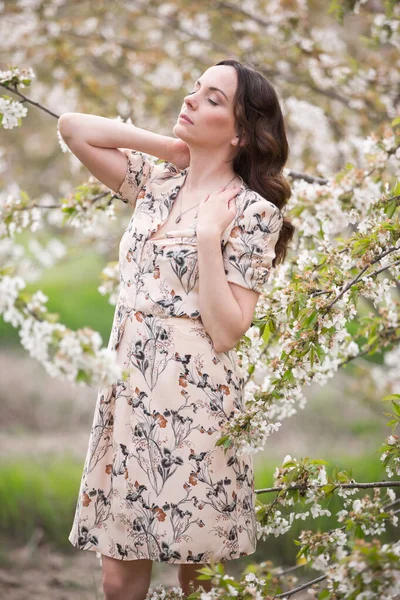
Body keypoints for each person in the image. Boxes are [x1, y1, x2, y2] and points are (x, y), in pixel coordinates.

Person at [58, 59, 294, 600]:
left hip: (196, 403)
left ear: (239, 132)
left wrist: (209, 239)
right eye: (195, 88)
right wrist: (167, 148)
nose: (190, 99)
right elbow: (73, 127)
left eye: (212, 98)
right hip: (127, 394)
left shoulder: (254, 212)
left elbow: (229, 330)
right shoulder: (155, 181)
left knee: (199, 578)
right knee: (118, 577)